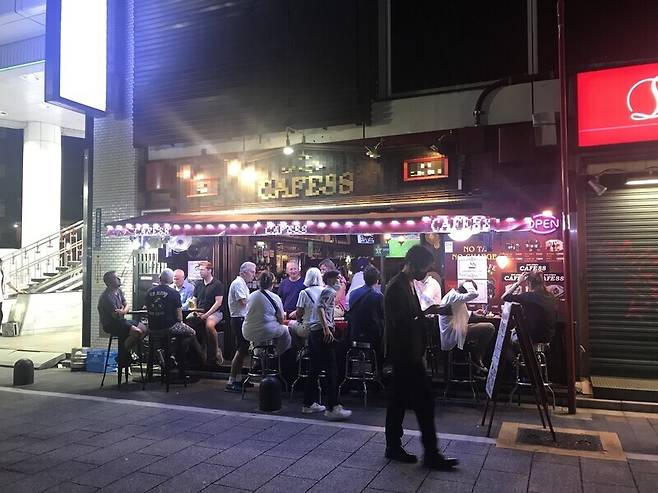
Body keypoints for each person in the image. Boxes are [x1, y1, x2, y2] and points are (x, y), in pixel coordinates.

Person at [384, 245, 458, 470]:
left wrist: (431, 312)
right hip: (406, 354)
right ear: (413, 264)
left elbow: (411, 316)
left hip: (409, 353)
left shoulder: (406, 284)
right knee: (425, 402)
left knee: (398, 402)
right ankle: (430, 454)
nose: (425, 273)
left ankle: (394, 447)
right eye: (425, 268)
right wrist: (424, 317)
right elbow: (401, 323)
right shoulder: (397, 287)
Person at [303, 269, 352, 420]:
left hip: (315, 332)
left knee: (315, 369)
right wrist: (326, 328)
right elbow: (320, 308)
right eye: (338, 278)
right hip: (322, 333)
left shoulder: (327, 291)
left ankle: (308, 403)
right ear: (330, 279)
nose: (340, 281)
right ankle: (333, 406)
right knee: (332, 369)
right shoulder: (329, 291)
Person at [145, 268, 205, 367]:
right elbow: (179, 317)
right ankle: (173, 353)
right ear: (171, 280)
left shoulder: (149, 292)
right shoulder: (173, 293)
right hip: (169, 326)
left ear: (160, 278)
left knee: (176, 335)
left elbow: (147, 309)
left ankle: (167, 353)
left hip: (152, 327)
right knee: (192, 333)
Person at [438, 279, 495, 372]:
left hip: (456, 331)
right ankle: (477, 356)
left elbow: (456, 311)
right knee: (489, 328)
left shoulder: (453, 296)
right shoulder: (454, 296)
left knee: (483, 327)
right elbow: (474, 294)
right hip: (454, 336)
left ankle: (475, 356)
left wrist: (473, 313)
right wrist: (468, 283)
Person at [97, 271, 148, 364]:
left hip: (121, 320)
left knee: (144, 329)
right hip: (111, 324)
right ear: (110, 282)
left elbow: (127, 305)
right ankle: (123, 355)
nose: (119, 279)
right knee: (137, 332)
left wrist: (123, 311)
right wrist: (123, 311)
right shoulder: (107, 297)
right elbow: (116, 316)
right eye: (117, 278)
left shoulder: (118, 291)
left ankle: (125, 353)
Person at [241, 271, 292, 355]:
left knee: (259, 337)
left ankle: (258, 355)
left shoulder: (251, 296)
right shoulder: (275, 298)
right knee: (286, 331)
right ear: (272, 284)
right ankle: (279, 356)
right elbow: (281, 319)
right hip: (268, 331)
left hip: (248, 331)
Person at [225, 261, 257, 393]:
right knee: (241, 349)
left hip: (242, 319)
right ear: (244, 272)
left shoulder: (242, 283)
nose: (254, 275)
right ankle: (231, 380)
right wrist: (257, 299)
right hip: (238, 319)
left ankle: (238, 378)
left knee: (243, 350)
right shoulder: (238, 283)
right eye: (252, 272)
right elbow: (243, 302)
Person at [501, 271, 557, 344]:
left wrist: (518, 282)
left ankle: (518, 355)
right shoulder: (551, 296)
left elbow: (505, 297)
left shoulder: (528, 296)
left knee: (508, 337)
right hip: (548, 337)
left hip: (532, 337)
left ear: (529, 283)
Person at [346, 265, 385, 367]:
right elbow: (383, 315)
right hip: (372, 336)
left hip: (354, 333)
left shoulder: (353, 293)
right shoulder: (378, 296)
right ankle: (378, 370)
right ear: (377, 280)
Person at [189, 261, 224, 366]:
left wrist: (206, 315)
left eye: (202, 270)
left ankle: (216, 350)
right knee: (187, 326)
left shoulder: (217, 284)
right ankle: (199, 353)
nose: (200, 272)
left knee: (209, 325)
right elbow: (194, 299)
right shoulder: (198, 284)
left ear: (209, 270)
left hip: (214, 312)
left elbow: (218, 303)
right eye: (199, 270)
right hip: (199, 311)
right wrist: (194, 310)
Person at [290, 267, 324, 341]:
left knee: (290, 324)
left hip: (308, 328)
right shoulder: (324, 291)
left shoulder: (304, 293)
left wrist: (298, 320)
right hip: (322, 327)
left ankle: (298, 348)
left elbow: (299, 312)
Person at [0, 259, 20, 325]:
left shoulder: (2, 272)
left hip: (0, 296)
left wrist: (17, 290)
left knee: (0, 315)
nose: (1, 264)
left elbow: (8, 282)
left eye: (1, 263)